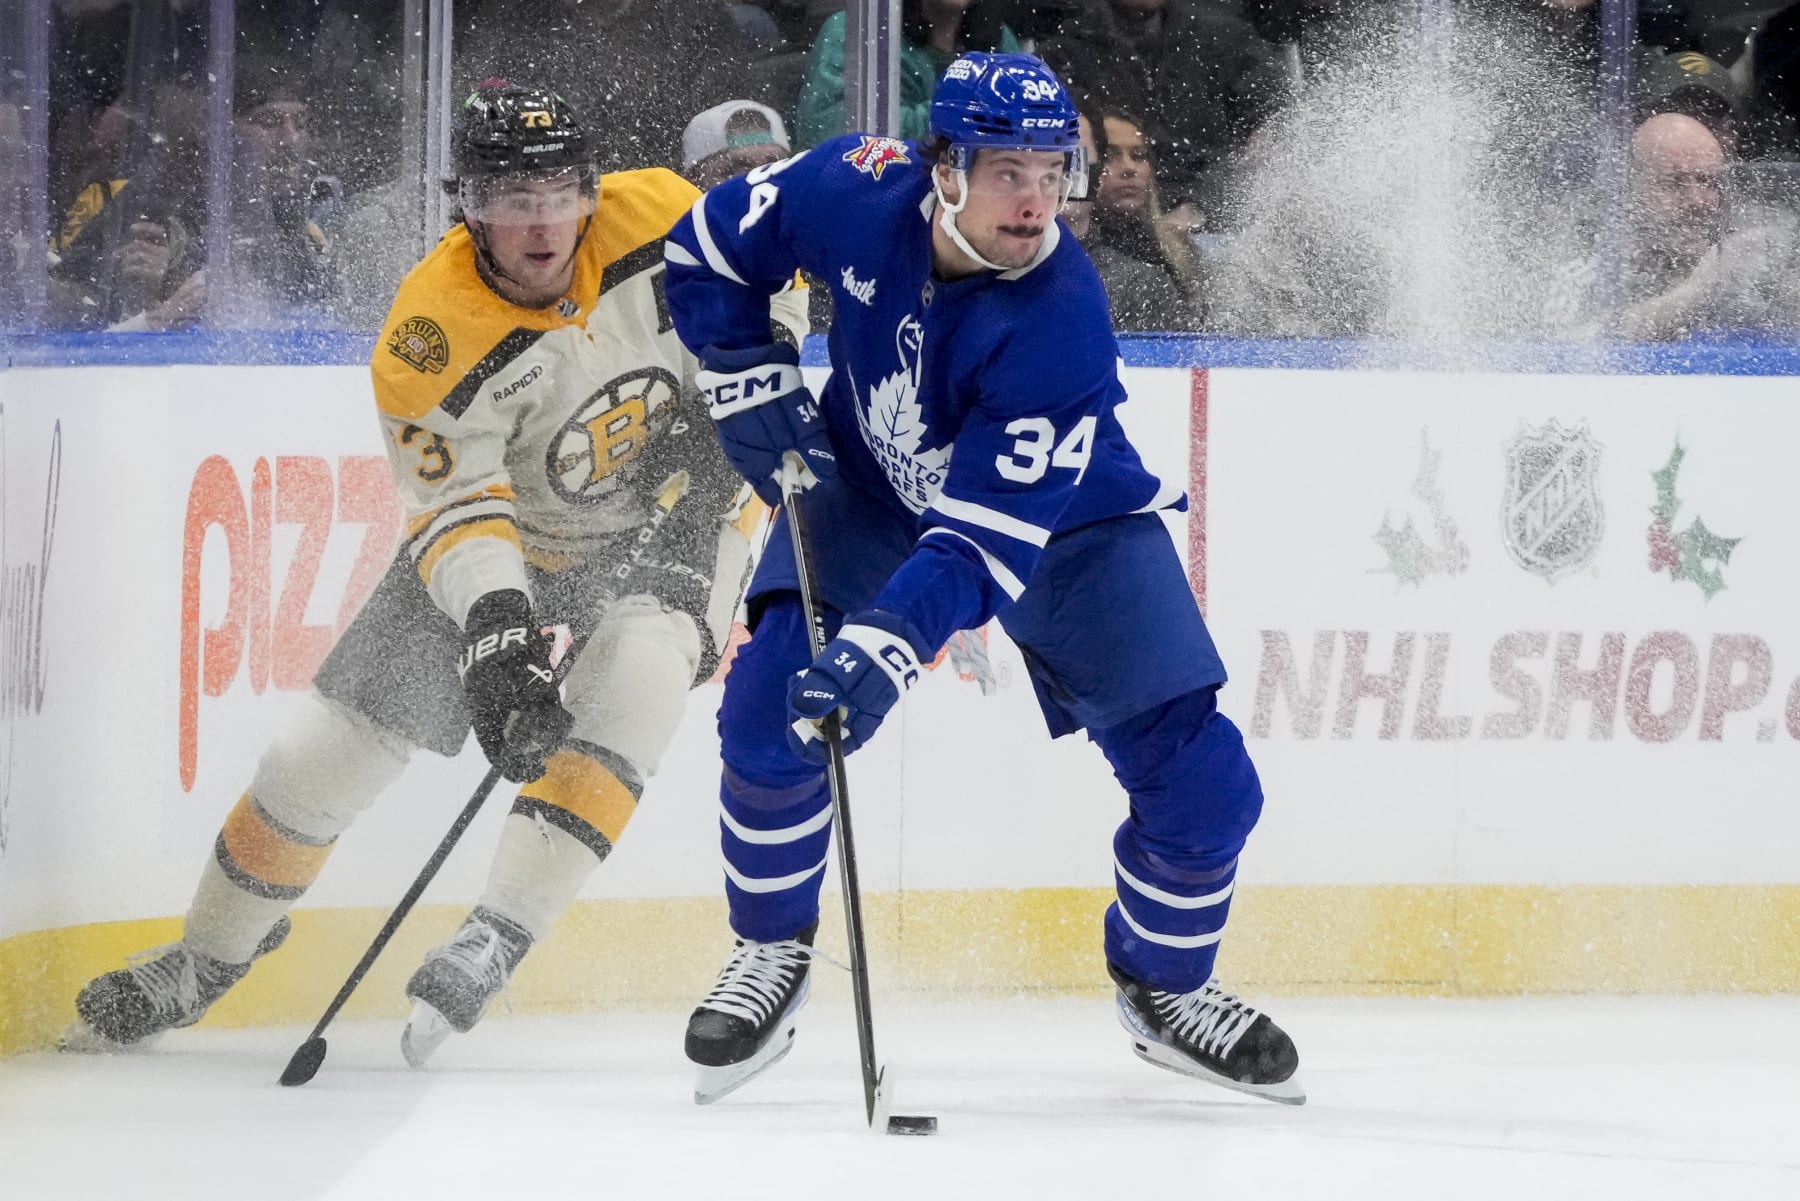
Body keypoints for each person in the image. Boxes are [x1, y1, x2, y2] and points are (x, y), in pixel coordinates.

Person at [66, 82, 809, 1066]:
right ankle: (207, 958)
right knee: (319, 753)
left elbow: (780, 281)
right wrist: (499, 636)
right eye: (511, 198)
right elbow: (460, 510)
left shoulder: (668, 215)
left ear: (592, 192)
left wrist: (740, 411)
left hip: (680, 512)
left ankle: (500, 927)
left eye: (558, 194)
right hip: (518, 536)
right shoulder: (426, 335)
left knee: (641, 670)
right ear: (468, 206)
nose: (540, 223)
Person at [663, 51, 1303, 1105]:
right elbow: (704, 245)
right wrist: (740, 368)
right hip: (869, 480)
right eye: (1009, 168)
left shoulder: (1061, 318)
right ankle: (772, 951)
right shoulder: (850, 185)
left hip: (1067, 518)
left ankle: (1165, 986)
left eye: (1056, 169)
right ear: (941, 169)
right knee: (764, 714)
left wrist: (883, 645)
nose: (1038, 197)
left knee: (1206, 782)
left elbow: (979, 548)